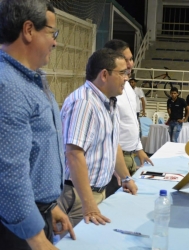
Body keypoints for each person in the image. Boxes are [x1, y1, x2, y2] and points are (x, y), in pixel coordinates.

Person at [0, 1, 75, 249]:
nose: (55, 42)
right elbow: (9, 172)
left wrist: (49, 205)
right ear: (29, 30)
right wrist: (36, 238)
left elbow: (37, 153)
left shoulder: (32, 81)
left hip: (34, 213)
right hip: (14, 227)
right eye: (52, 33)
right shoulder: (8, 85)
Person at [58, 49, 138, 228]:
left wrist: (126, 178)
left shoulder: (109, 102)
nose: (126, 78)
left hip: (96, 192)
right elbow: (74, 154)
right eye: (122, 73)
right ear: (104, 74)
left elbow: (112, 144)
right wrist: (89, 204)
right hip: (79, 195)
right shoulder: (84, 103)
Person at [104, 40, 153, 197]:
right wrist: (116, 168)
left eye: (131, 59)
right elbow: (108, 134)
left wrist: (139, 149)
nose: (130, 64)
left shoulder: (130, 90)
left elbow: (132, 121)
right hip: (117, 159)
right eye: (126, 60)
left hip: (130, 156)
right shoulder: (109, 92)